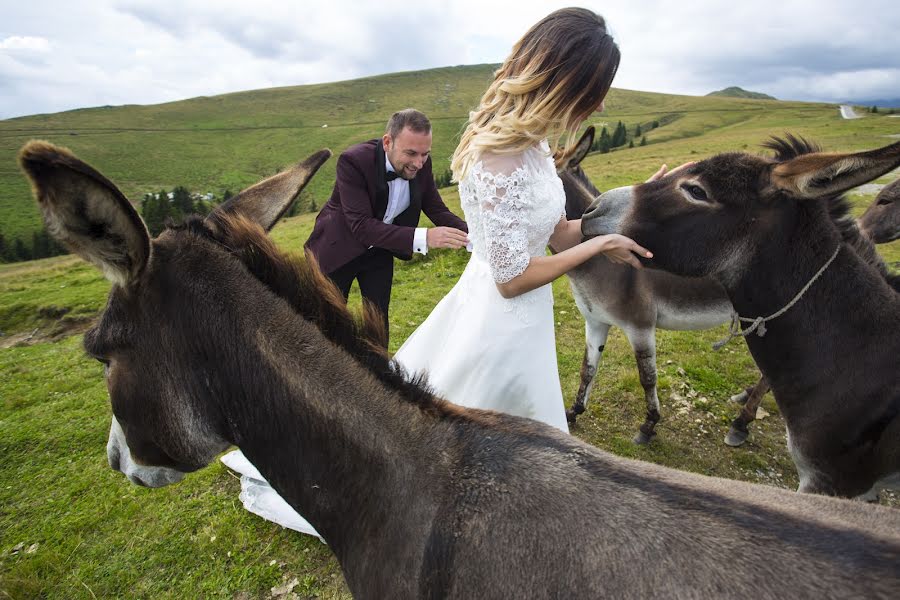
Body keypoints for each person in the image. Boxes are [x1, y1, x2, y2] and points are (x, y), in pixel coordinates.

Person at [393, 7, 653, 432]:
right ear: (565, 81)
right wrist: (600, 246)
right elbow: (510, 280)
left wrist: (634, 204)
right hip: (497, 327)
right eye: (595, 89)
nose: (602, 103)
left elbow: (559, 235)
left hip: (530, 321)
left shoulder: (535, 146)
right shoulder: (498, 157)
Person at [304, 108, 468, 343]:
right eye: (411, 153)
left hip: (382, 248)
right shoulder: (353, 161)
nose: (419, 163)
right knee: (325, 323)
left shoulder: (422, 164)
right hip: (338, 248)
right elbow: (360, 226)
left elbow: (436, 208)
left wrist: (475, 235)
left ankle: (377, 371)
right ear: (387, 142)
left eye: (424, 154)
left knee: (378, 323)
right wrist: (426, 237)